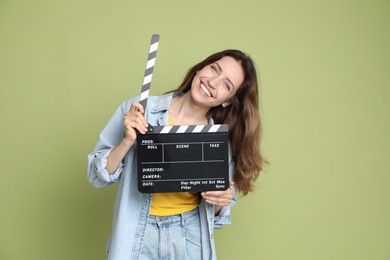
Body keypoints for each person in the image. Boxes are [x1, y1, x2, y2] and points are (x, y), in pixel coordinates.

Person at [87, 49, 266, 260]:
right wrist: (127, 141)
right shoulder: (140, 110)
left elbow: (217, 216)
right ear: (201, 68)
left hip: (189, 235)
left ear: (227, 101)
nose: (213, 82)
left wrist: (221, 199)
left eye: (227, 85)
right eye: (214, 69)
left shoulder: (218, 140)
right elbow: (96, 176)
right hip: (136, 231)